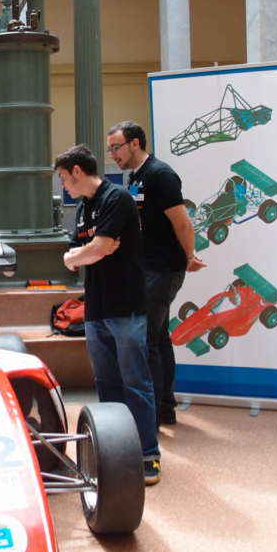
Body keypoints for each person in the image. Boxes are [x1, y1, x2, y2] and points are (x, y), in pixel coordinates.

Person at [54, 144, 162, 485]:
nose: (63, 187)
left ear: (77, 171)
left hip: (125, 305)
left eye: (63, 178)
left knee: (136, 382)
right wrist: (83, 254)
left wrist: (86, 252)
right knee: (107, 382)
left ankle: (147, 455)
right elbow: (76, 255)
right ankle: (117, 451)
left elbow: (95, 250)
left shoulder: (117, 198)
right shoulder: (85, 208)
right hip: (96, 308)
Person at [106, 122, 205, 427]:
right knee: (159, 337)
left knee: (145, 338)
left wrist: (189, 256)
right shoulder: (134, 177)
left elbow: (183, 224)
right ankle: (164, 407)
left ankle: (150, 414)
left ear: (135, 144)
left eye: (116, 147)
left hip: (163, 268)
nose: (113, 154)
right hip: (147, 267)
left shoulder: (160, 175)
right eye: (110, 149)